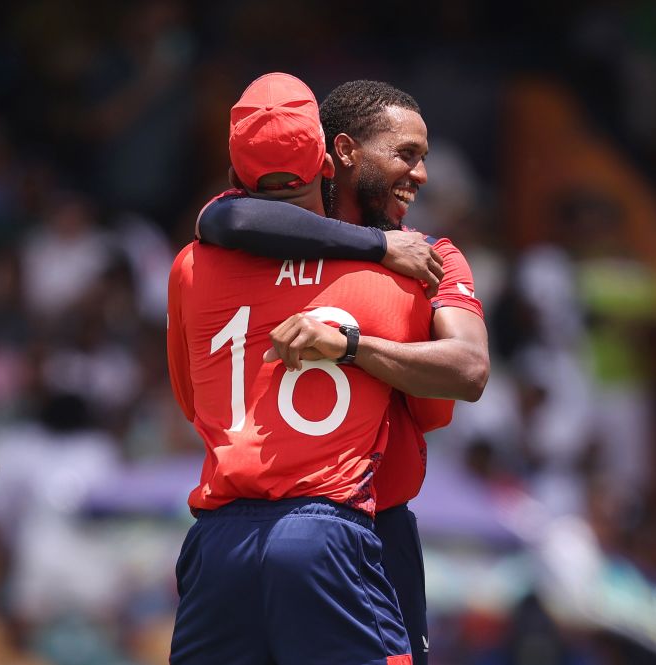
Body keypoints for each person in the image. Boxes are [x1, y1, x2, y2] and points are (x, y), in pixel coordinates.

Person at [195, 79, 490, 665]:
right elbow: (224, 220)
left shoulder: (428, 254)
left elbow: (470, 366)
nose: (422, 174)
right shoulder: (392, 261)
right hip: (335, 537)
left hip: (367, 529)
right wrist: (376, 247)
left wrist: (352, 346)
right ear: (346, 151)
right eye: (406, 154)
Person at [166, 72, 423, 664]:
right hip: (326, 534)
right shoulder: (386, 273)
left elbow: (190, 402)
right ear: (329, 166)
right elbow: (432, 409)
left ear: (233, 178)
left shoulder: (189, 267)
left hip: (219, 542)